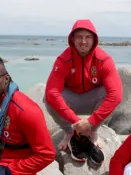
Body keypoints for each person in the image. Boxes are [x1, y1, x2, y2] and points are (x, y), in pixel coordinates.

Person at [44, 19, 122, 165]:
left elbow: (116, 94)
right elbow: (51, 92)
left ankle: (92, 131)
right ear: (72, 39)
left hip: (93, 98)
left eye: (88, 37)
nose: (83, 41)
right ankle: (69, 132)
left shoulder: (103, 60)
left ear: (94, 40)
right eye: (79, 37)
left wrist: (91, 122)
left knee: (110, 92)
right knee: (48, 98)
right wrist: (76, 122)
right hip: (72, 99)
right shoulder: (63, 60)